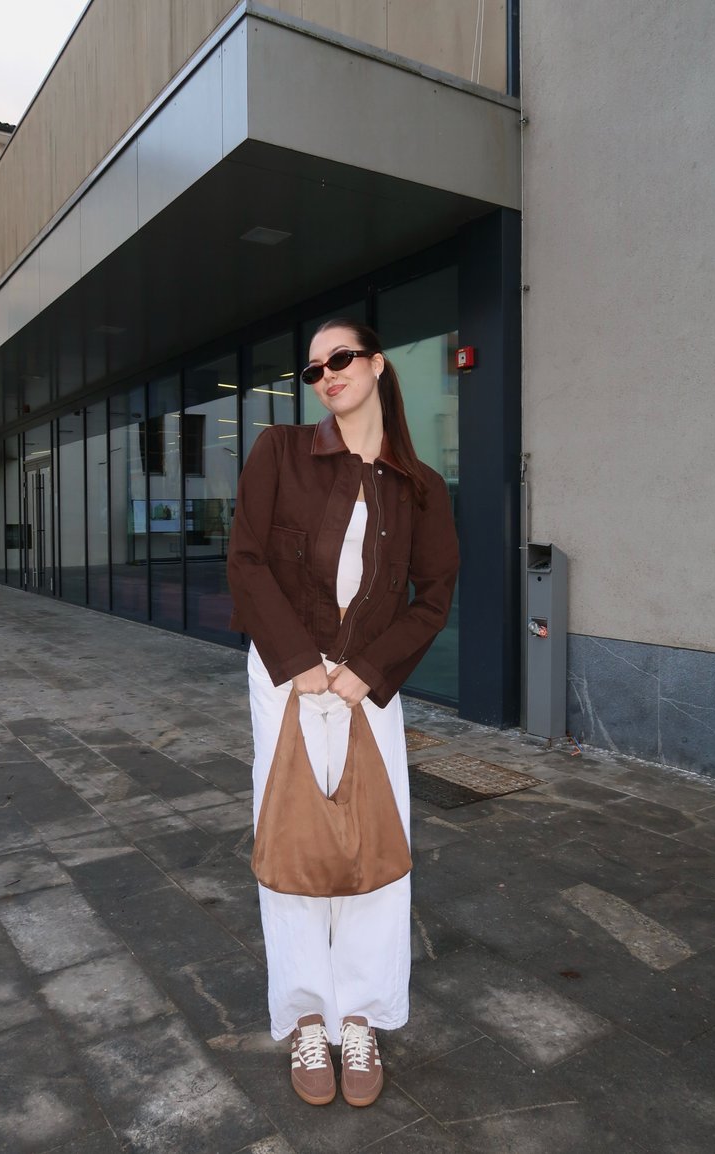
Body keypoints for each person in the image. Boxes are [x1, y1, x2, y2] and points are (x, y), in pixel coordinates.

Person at [227, 318, 459, 1108]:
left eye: (342, 358)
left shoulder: (419, 485)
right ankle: (306, 1020)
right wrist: (298, 666)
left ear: (378, 364)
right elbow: (247, 560)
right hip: (286, 680)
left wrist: (365, 672)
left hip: (367, 688)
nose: (327, 372)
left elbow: (434, 597)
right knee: (291, 844)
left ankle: (357, 1014)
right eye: (315, 365)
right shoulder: (281, 453)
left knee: (371, 849)